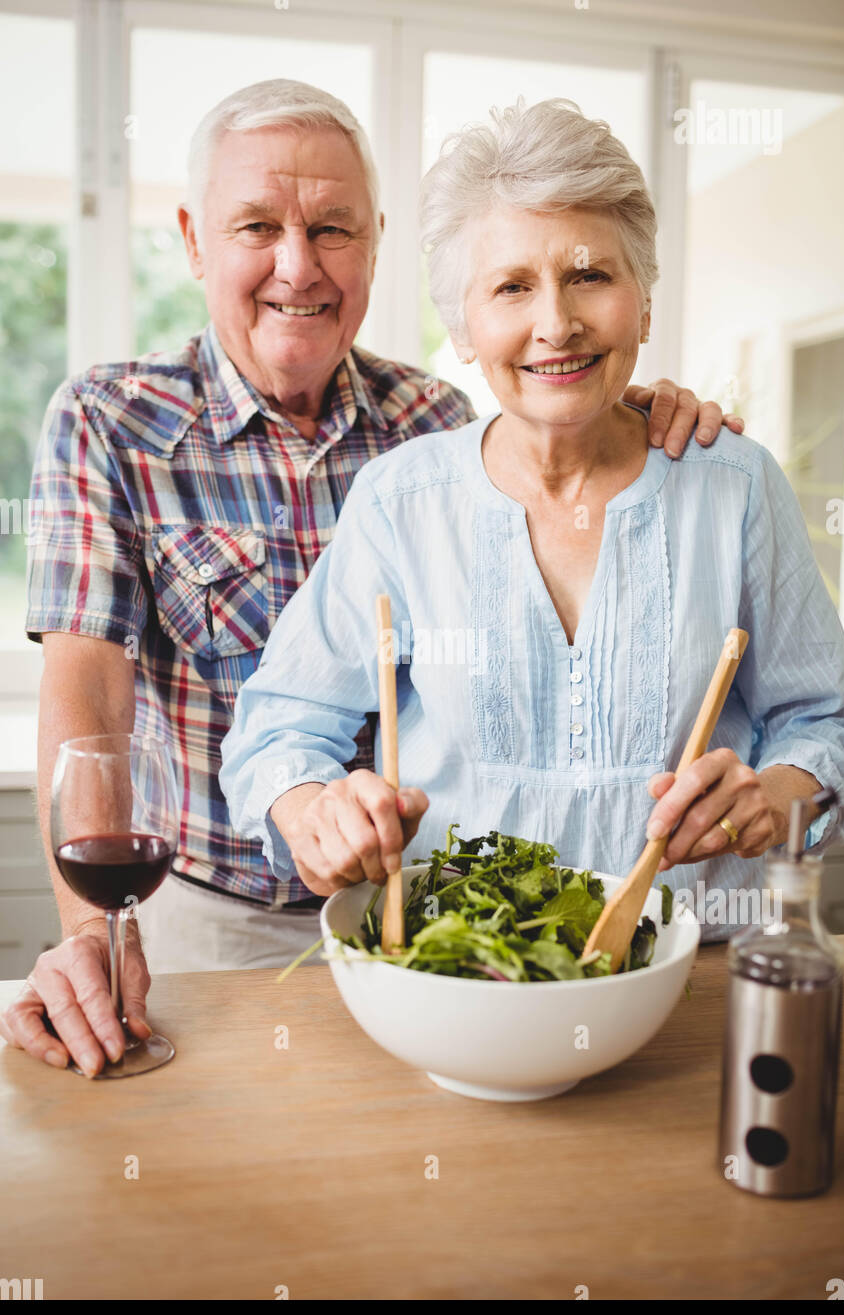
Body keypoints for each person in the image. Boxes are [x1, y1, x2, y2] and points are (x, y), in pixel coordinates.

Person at [3, 81, 737, 1078]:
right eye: (256, 225)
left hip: (427, 920)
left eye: (333, 228)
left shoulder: (437, 421)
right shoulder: (110, 420)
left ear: (378, 242)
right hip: (216, 924)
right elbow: (86, 701)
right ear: (191, 238)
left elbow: (564, 406)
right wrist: (92, 926)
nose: (297, 265)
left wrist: (631, 409)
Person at [220, 97, 844, 947]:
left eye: (591, 275)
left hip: (695, 981)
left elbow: (832, 722)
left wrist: (783, 792)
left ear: (642, 301)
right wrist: (314, 811)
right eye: (512, 287)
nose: (556, 323)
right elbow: (278, 730)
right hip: (461, 976)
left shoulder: (735, 487)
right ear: (462, 326)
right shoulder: (400, 502)